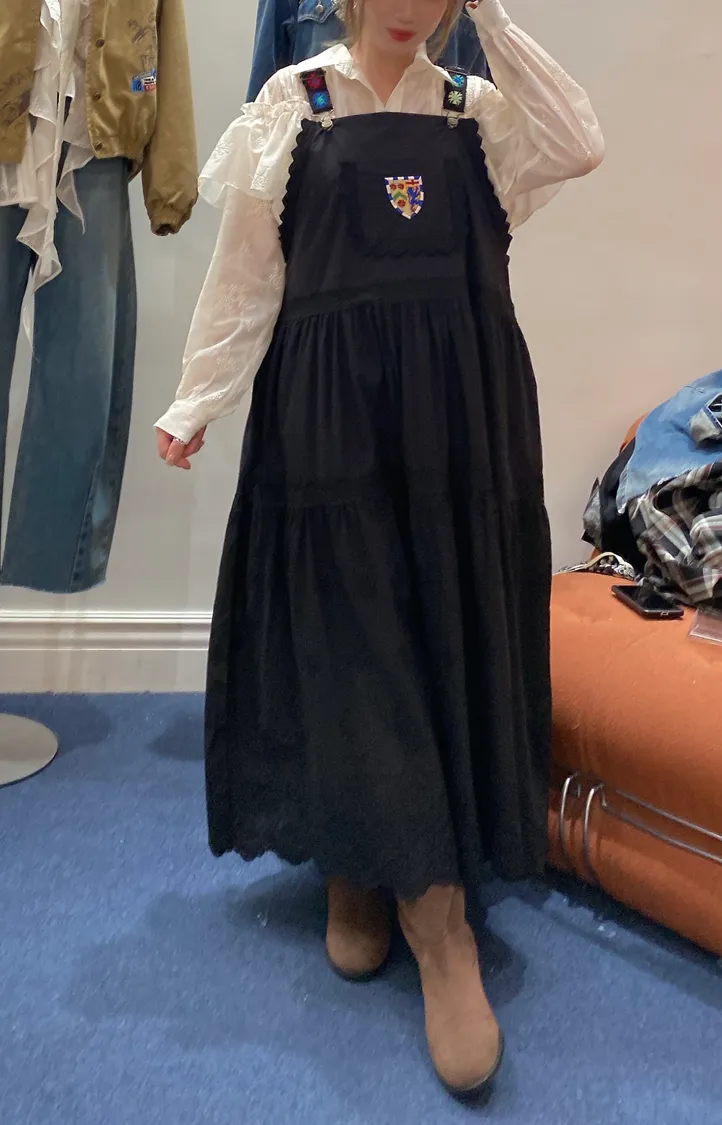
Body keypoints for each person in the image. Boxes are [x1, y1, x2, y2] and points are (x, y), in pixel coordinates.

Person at [155, 0, 603, 1097]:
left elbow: (580, 142)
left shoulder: (475, 110)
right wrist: (198, 397)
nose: (412, 7)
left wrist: (491, 16)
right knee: (355, 637)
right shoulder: (293, 103)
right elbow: (249, 273)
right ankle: (391, 881)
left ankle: (420, 899)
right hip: (333, 416)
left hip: (462, 418)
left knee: (443, 626)